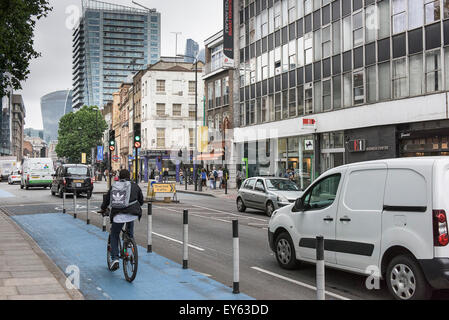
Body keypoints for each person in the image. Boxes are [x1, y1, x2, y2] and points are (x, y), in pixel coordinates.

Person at [100, 169, 144, 271]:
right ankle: (130, 240)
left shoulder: (115, 186)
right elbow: (141, 201)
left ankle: (115, 258)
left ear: (119, 177)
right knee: (130, 221)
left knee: (114, 234)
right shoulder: (135, 186)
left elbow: (107, 200)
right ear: (130, 176)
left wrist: (103, 209)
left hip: (118, 214)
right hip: (132, 213)